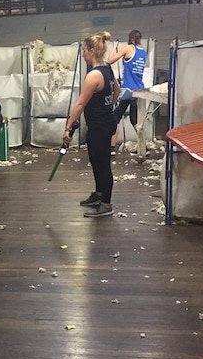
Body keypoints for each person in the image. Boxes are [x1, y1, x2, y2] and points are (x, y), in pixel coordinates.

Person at [63, 32, 120, 218]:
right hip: (102, 123)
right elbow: (117, 91)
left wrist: (68, 127)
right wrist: (107, 108)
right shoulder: (107, 69)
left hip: (100, 126)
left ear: (93, 51)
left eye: (85, 50)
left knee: (102, 164)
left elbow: (80, 104)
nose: (84, 54)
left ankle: (106, 203)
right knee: (96, 160)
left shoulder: (93, 75)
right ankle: (98, 194)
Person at [107, 29, 147, 156]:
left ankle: (111, 148)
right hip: (139, 89)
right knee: (134, 120)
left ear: (130, 39)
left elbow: (110, 60)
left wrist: (114, 47)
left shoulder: (128, 48)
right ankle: (143, 146)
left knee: (114, 118)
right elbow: (134, 70)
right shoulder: (143, 53)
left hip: (128, 90)